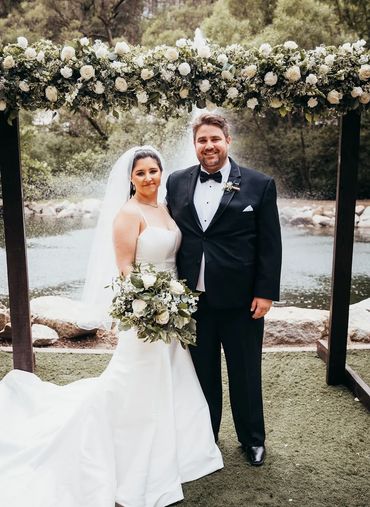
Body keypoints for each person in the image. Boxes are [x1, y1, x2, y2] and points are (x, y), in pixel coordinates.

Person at [0, 146, 223, 507]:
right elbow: (125, 271)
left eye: (153, 171)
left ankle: (184, 449)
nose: (149, 178)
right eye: (141, 173)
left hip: (172, 312)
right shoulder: (128, 214)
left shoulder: (163, 208)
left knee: (172, 375)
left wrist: (174, 303)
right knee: (137, 380)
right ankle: (133, 445)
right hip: (146, 313)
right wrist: (149, 307)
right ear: (131, 179)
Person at [166, 114, 282, 466]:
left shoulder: (259, 185)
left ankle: (252, 440)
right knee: (203, 376)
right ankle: (206, 438)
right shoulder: (176, 182)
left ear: (228, 140)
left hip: (241, 301)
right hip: (192, 302)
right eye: (202, 140)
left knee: (245, 372)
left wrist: (265, 292)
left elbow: (269, 244)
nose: (209, 146)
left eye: (215, 138)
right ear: (195, 144)